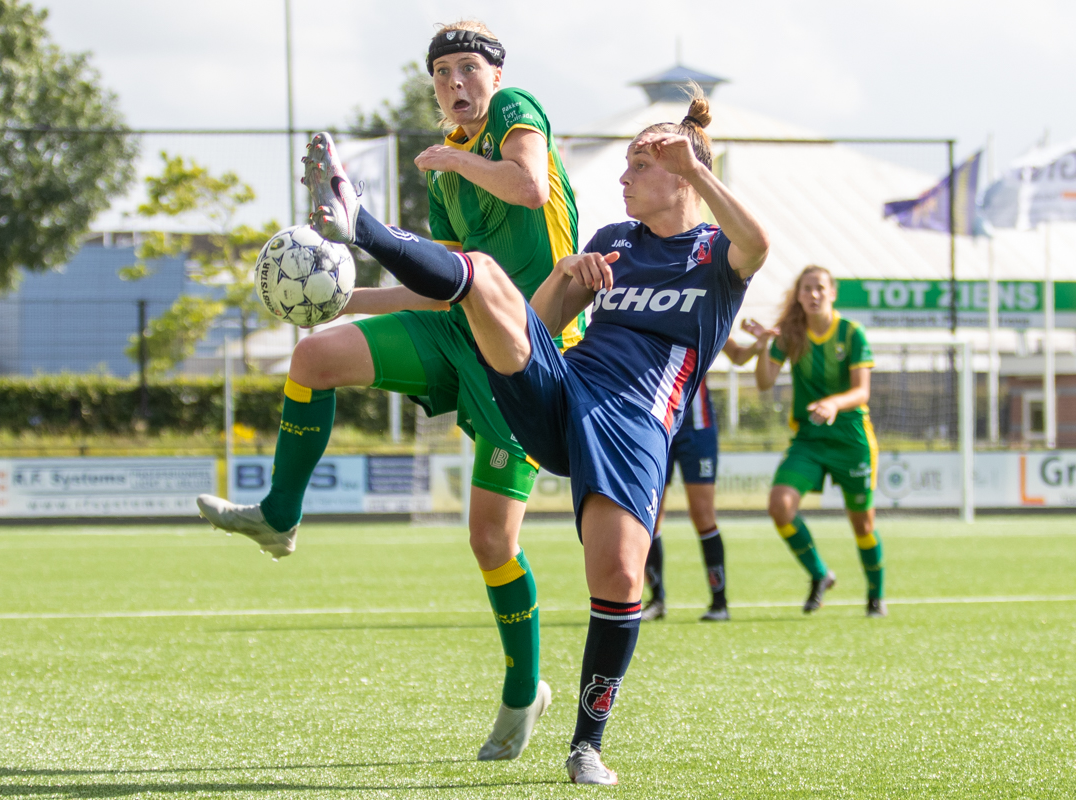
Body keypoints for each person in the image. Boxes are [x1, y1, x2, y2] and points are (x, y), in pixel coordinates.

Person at [302, 85, 768, 784]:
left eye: (641, 164)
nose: (623, 176)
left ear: (681, 170)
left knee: (617, 575)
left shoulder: (716, 254)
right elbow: (540, 326)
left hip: (634, 425)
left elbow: (759, 244)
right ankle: (361, 224)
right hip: (562, 388)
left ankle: (587, 745)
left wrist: (700, 166)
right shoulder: (614, 242)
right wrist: (561, 278)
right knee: (485, 275)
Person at [196, 20, 580, 761]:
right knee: (314, 358)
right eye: (442, 73)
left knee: (490, 541)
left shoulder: (513, 113)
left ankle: (524, 688)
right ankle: (280, 515)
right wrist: (349, 300)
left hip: (529, 353)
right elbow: (445, 283)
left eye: (469, 68)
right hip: (454, 332)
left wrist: (451, 166)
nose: (456, 83)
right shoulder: (441, 170)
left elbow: (530, 186)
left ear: (497, 76)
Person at [750, 266, 887, 617]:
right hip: (809, 440)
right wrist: (764, 345)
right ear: (798, 295)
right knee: (780, 505)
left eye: (820, 288)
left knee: (863, 524)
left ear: (833, 293)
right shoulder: (792, 334)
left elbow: (862, 391)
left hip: (851, 441)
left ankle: (875, 596)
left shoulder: (852, 333)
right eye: (807, 289)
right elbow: (765, 382)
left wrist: (832, 403)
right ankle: (820, 574)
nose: (813, 295)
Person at [640, 334, 764, 623]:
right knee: (651, 515)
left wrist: (760, 344)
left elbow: (739, 355)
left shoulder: (701, 306)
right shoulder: (647, 305)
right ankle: (656, 600)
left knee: (703, 514)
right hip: (656, 424)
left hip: (698, 429)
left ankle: (719, 602)